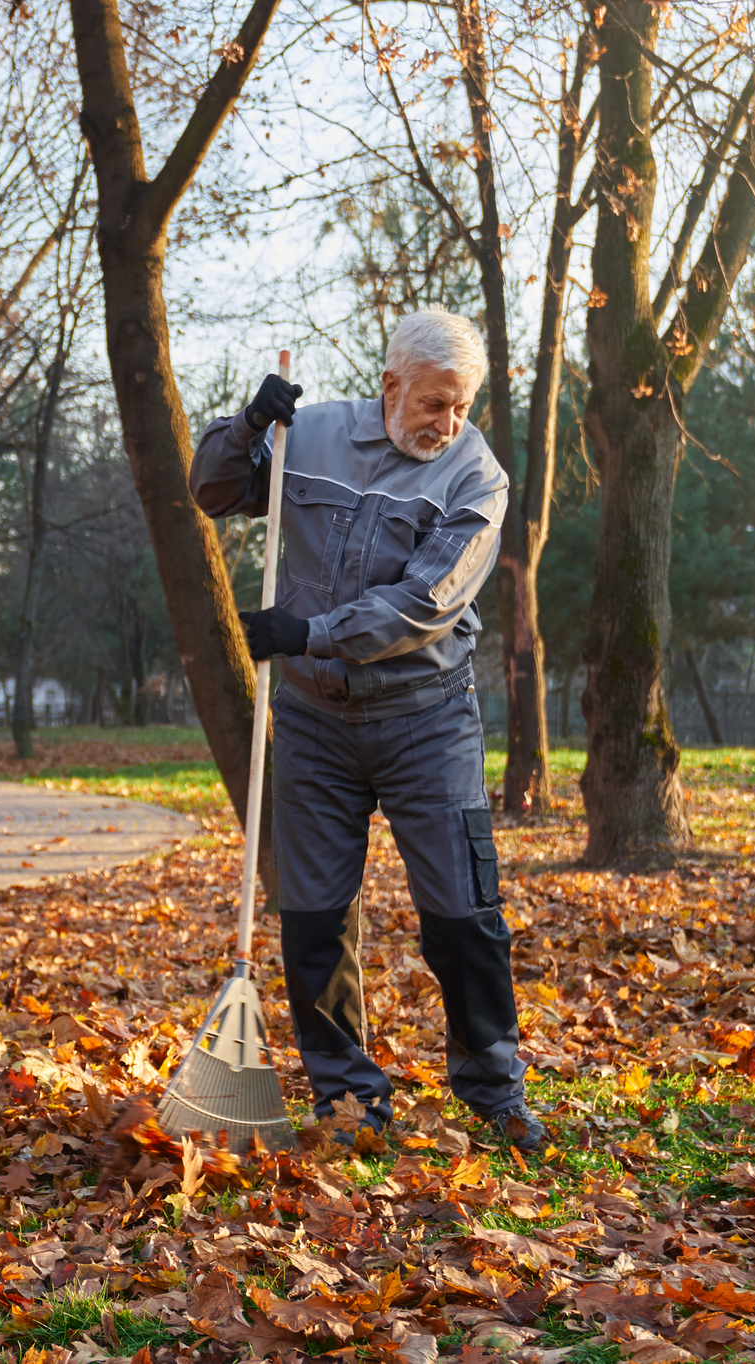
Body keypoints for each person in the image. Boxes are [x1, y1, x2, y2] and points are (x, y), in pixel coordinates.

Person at [189, 306, 543, 1151]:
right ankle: (348, 1101)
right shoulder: (306, 437)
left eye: (460, 407)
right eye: (433, 405)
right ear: (391, 386)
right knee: (313, 917)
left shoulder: (475, 477)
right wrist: (245, 428)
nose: (447, 425)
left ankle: (494, 1092)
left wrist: (307, 632)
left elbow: (428, 601)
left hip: (427, 721)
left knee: (463, 914)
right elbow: (213, 490)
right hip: (313, 724)